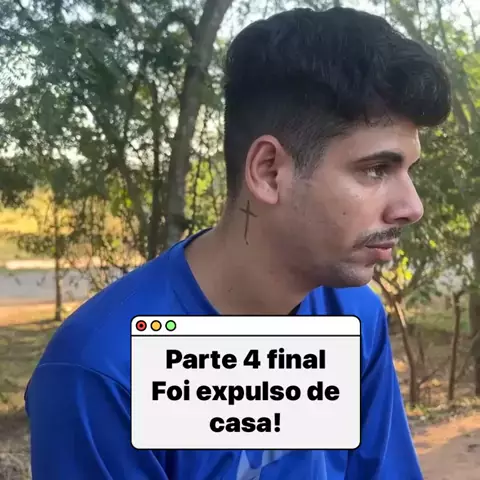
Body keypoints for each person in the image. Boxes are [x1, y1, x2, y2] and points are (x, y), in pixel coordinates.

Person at [25, 6, 451, 480]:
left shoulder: (353, 317)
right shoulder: (103, 373)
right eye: (375, 169)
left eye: (408, 170)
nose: (412, 207)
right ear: (269, 172)